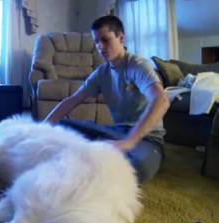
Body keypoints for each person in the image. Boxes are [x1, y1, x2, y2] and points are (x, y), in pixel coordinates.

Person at [44, 15, 170, 184]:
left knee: (138, 168)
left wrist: (128, 142)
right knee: (60, 127)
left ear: (121, 37)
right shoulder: (101, 73)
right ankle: (100, 154)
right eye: (96, 42)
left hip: (147, 139)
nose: (100, 47)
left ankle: (101, 159)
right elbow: (72, 100)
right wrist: (40, 128)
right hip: (116, 132)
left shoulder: (138, 65)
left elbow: (161, 100)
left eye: (105, 40)